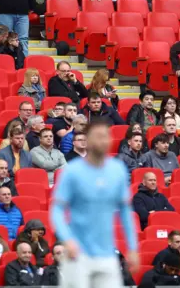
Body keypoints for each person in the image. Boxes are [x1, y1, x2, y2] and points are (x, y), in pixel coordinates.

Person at [51, 120, 138, 288]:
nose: (103, 141)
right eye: (98, 136)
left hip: (107, 255)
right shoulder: (72, 171)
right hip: (78, 256)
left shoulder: (118, 170)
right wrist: (67, 239)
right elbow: (57, 210)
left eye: (106, 136)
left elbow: (126, 212)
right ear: (88, 140)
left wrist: (132, 247)